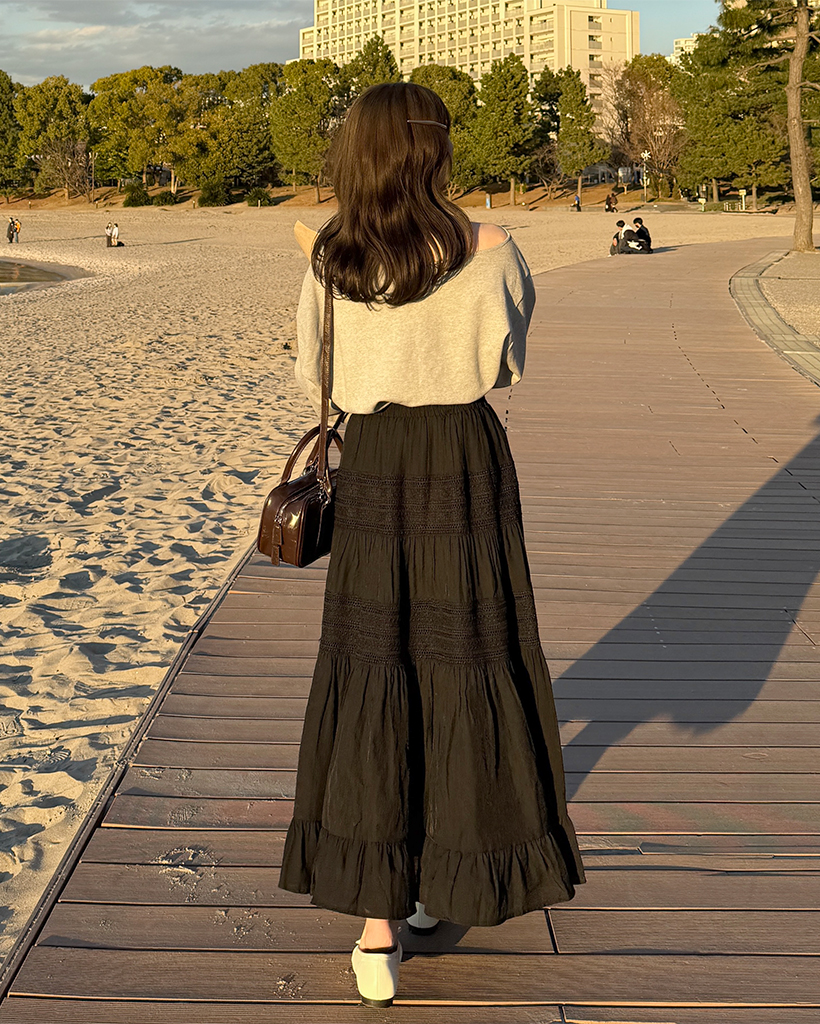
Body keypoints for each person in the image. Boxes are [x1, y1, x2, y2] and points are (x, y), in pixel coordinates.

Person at [279, 82, 585, 1009]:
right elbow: (509, 365)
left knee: (374, 661)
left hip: (374, 461)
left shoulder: (331, 257)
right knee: (467, 659)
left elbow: (313, 373)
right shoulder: (494, 248)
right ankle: (449, 881)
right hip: (461, 458)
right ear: (435, 149)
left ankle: (375, 932)